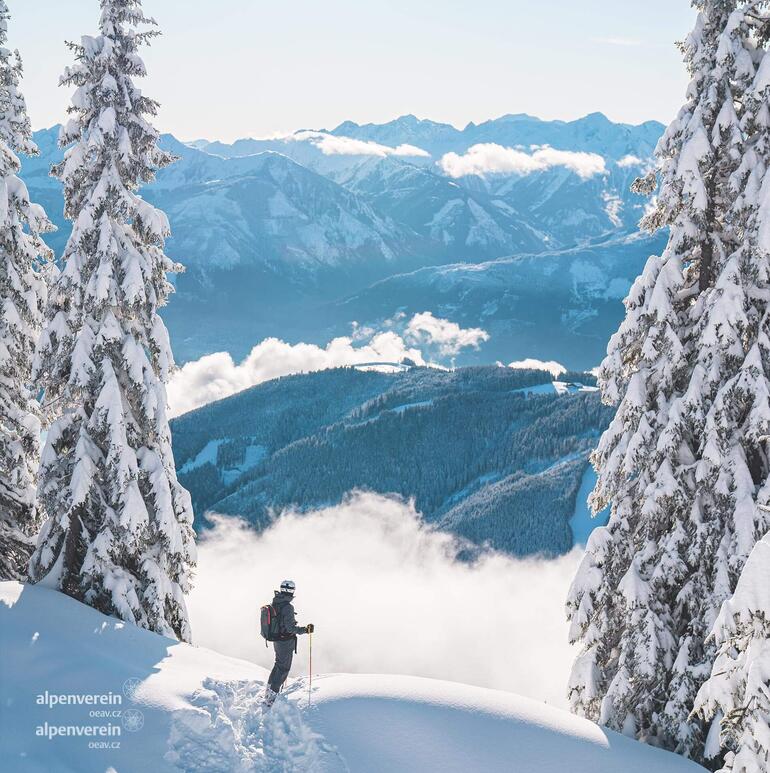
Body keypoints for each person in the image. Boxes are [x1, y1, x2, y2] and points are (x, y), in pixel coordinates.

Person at [265, 580, 314, 705]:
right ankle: (272, 698)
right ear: (292, 591)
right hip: (285, 641)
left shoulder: (276, 602)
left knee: (278, 665)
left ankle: (269, 691)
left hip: (277, 639)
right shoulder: (287, 607)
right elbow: (290, 628)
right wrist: (305, 630)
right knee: (283, 668)